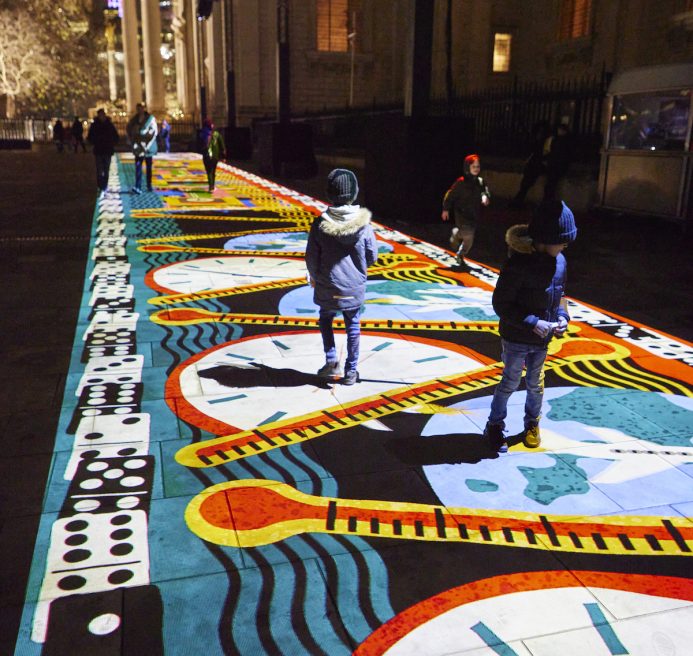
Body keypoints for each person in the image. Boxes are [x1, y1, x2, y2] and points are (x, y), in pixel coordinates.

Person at [483, 199, 577, 453]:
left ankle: (532, 424)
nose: (565, 246)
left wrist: (562, 318)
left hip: (542, 340)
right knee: (510, 382)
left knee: (536, 383)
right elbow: (501, 303)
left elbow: (561, 296)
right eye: (561, 241)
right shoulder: (518, 264)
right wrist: (533, 323)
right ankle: (494, 425)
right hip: (516, 337)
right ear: (544, 239)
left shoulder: (560, 262)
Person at [305, 169, 378, 386]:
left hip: (328, 284)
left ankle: (331, 359)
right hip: (353, 286)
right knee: (353, 325)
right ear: (354, 192)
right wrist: (359, 269)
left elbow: (311, 257)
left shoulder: (320, 224)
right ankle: (351, 372)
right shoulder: (364, 225)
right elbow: (372, 255)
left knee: (325, 318)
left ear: (330, 193)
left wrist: (316, 276)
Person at [441, 154, 490, 269]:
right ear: (468, 167)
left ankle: (457, 239)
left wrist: (485, 197)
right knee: (469, 235)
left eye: (478, 166)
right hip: (461, 214)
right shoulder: (461, 182)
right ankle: (459, 248)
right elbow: (450, 196)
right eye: (473, 166)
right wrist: (445, 209)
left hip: (474, 213)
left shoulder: (481, 182)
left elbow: (485, 192)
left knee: (468, 236)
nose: (476, 169)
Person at [509, 120, 551, 209]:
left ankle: (517, 201)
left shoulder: (537, 140)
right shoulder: (542, 140)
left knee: (525, 184)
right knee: (526, 184)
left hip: (534, 163)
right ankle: (517, 202)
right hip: (535, 163)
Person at [87, 108, 120, 199]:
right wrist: (95, 141)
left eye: (102, 115)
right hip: (99, 150)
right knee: (99, 170)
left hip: (107, 150)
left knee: (106, 170)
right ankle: (101, 186)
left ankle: (104, 186)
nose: (102, 117)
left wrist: (111, 143)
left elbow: (116, 136)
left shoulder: (109, 125)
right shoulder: (95, 125)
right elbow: (90, 137)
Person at [126, 103, 158, 194]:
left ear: (144, 109)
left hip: (148, 148)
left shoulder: (150, 119)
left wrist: (148, 142)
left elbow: (154, 132)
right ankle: (138, 185)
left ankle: (149, 185)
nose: (139, 110)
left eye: (141, 108)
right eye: (138, 108)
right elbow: (128, 129)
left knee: (149, 167)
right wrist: (132, 139)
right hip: (138, 148)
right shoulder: (134, 120)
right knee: (138, 167)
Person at [543, 123, 573, 200]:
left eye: (560, 130)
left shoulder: (560, 140)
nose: (558, 131)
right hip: (555, 165)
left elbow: (555, 152)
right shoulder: (561, 140)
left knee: (550, 185)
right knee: (551, 185)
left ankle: (548, 200)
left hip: (555, 165)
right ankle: (549, 200)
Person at [198, 118, 226, 192]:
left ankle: (210, 186)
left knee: (209, 171)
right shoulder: (217, 134)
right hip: (215, 156)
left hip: (206, 156)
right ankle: (212, 186)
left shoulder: (202, 134)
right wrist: (223, 156)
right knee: (213, 171)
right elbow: (222, 145)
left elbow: (199, 145)